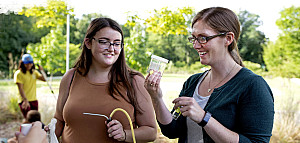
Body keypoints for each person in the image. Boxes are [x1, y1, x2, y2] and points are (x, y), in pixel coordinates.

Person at [145, 7, 274, 143]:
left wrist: (204, 118)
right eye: (194, 38)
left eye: (203, 38)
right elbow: (172, 130)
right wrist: (156, 97)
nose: (195, 45)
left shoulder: (253, 85)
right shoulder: (193, 82)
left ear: (228, 38)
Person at [54, 17, 157, 142]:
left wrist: (125, 134)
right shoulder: (70, 77)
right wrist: (43, 134)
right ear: (88, 43)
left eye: (117, 43)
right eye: (104, 42)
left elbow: (151, 132)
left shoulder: (134, 81)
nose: (111, 48)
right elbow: (59, 121)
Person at [14, 54, 46, 119]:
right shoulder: (19, 73)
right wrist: (25, 100)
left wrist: (42, 70)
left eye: (30, 63)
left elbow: (44, 79)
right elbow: (20, 88)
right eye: (26, 64)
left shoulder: (34, 72)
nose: (29, 65)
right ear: (22, 63)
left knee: (36, 120)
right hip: (24, 101)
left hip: (34, 100)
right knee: (28, 121)